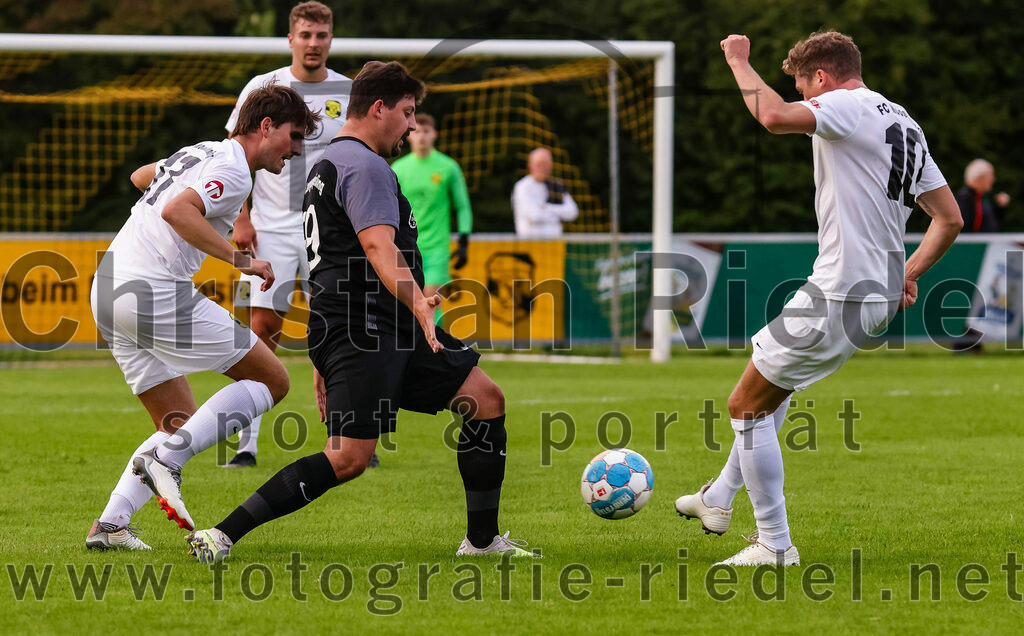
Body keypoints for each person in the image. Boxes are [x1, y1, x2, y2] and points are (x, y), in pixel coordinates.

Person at [186, 61, 535, 563]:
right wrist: (418, 305)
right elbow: (376, 246)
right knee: (349, 458)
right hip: (365, 329)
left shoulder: (332, 163)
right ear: (378, 108)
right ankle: (222, 534)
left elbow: (331, 259)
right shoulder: (363, 164)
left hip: (374, 325)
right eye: (407, 112)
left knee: (484, 398)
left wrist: (325, 353)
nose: (411, 125)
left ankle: (482, 542)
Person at [674, 32, 963, 566]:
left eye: (804, 86)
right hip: (871, 293)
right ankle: (718, 497)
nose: (805, 99)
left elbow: (773, 117)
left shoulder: (846, 106)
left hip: (841, 289)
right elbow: (949, 218)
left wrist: (738, 61)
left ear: (823, 78)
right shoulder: (905, 121)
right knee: (771, 388)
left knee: (744, 405)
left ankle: (774, 544)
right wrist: (907, 273)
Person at [85, 85, 320, 550]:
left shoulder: (201, 151)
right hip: (152, 291)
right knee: (273, 380)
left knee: (176, 422)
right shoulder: (235, 170)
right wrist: (242, 260)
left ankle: (111, 526)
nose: (296, 150)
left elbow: (140, 177)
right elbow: (177, 209)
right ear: (266, 126)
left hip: (108, 287)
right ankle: (167, 462)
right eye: (293, 136)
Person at [223, 1, 355, 468]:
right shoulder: (263, 87)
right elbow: (235, 152)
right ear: (291, 39)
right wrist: (241, 216)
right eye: (305, 34)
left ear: (331, 39)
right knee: (263, 328)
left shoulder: (348, 91)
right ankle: (247, 442)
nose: (313, 43)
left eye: (321, 35)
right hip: (270, 227)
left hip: (329, 227)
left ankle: (352, 434)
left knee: (340, 329)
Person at [391, 113, 473, 324]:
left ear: (434, 134)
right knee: (407, 302)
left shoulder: (448, 167)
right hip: (406, 246)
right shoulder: (398, 169)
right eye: (417, 131)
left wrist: (464, 240)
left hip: (437, 247)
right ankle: (413, 341)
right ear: (409, 135)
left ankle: (435, 342)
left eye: (426, 131)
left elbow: (462, 205)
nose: (421, 136)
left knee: (432, 298)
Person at [511, 147, 578, 237]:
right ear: (531, 165)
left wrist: (545, 207)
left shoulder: (557, 186)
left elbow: (572, 212)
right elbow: (534, 216)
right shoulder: (522, 187)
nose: (543, 168)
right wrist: (558, 214)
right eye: (540, 164)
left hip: (555, 242)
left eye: (546, 164)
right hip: (531, 242)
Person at [956, 158, 1010, 233]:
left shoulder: (979, 196)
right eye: (991, 175)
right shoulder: (965, 198)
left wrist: (999, 207)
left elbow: (987, 219)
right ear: (980, 177)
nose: (993, 179)